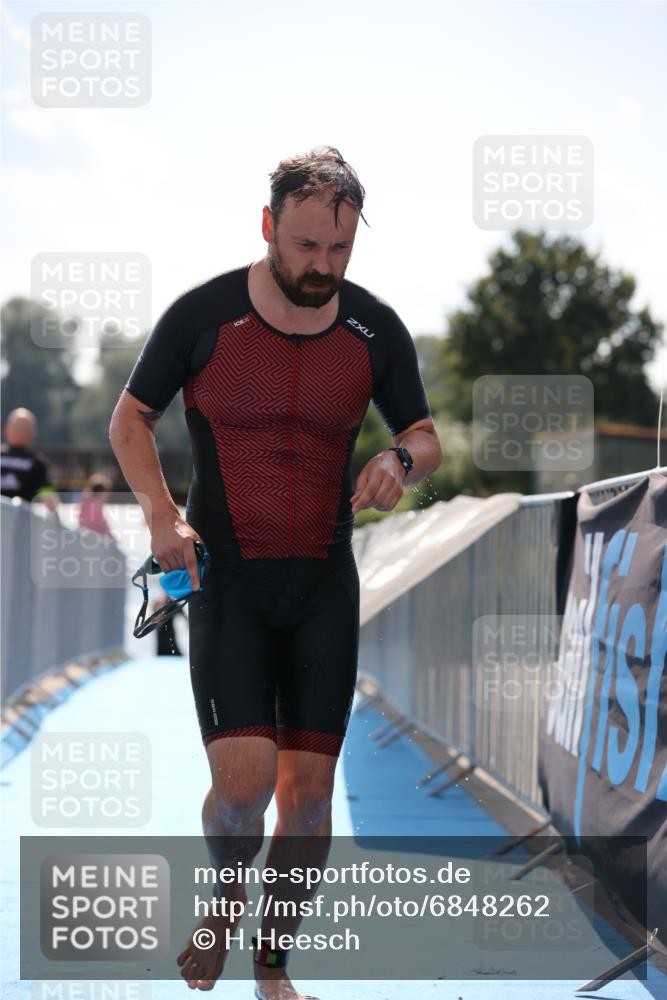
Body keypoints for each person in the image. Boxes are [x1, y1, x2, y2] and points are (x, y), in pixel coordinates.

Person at [109, 145, 443, 999]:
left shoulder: (373, 329)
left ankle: (271, 967)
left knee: (306, 800)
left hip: (324, 584)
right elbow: (129, 421)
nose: (321, 268)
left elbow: (425, 435)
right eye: (304, 247)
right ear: (268, 227)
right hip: (230, 580)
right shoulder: (205, 316)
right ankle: (226, 891)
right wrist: (160, 514)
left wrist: (399, 461)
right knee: (244, 786)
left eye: (337, 250)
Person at [0, 407, 59, 513]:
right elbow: (50, 501)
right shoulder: (37, 464)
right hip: (18, 527)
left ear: (6, 430)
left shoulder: (38, 465)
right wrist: (59, 523)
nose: (22, 432)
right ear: (33, 433)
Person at [77, 472, 115, 538]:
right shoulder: (94, 506)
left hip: (87, 537)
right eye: (107, 492)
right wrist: (111, 537)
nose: (108, 495)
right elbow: (99, 525)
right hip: (94, 539)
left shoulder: (86, 503)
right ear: (101, 492)